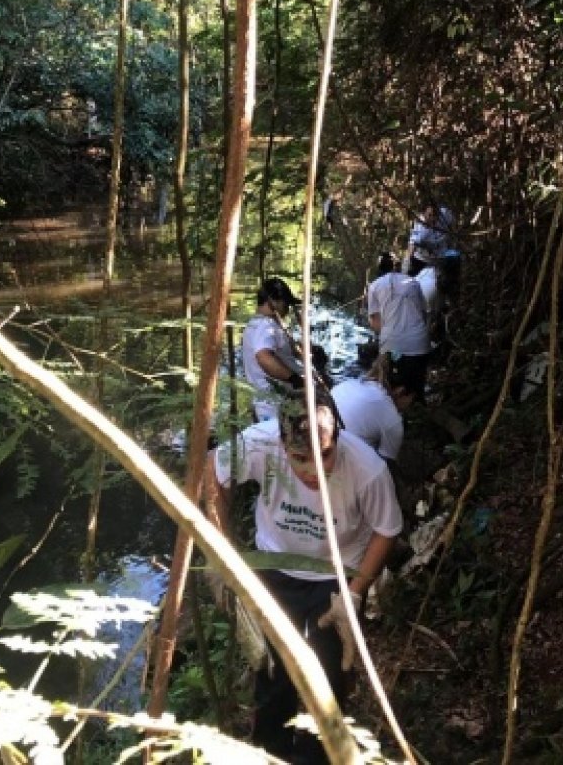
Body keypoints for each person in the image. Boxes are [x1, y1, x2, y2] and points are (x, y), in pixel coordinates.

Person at [205, 388, 402, 763]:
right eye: (300, 458)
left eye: (324, 455)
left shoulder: (367, 468)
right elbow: (213, 469)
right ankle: (270, 753)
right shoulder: (260, 445)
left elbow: (386, 529)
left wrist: (356, 592)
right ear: (282, 445)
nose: (314, 471)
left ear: (337, 439)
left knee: (328, 678)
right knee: (272, 671)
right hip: (275, 567)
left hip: (336, 575)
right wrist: (219, 553)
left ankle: (319, 755)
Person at [366, 252, 432, 401]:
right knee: (416, 390)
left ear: (379, 268)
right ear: (398, 266)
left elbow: (375, 323)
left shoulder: (374, 286)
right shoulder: (412, 282)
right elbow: (424, 313)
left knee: (392, 393)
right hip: (419, 342)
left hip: (393, 345)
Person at [329, 351, 412, 465]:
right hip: (339, 458)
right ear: (401, 391)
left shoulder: (348, 384)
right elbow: (385, 463)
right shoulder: (393, 421)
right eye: (411, 399)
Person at [241, 277, 306, 421]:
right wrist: (294, 378)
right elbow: (263, 357)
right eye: (286, 303)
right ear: (272, 301)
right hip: (273, 406)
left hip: (267, 402)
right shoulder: (265, 325)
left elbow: (276, 352)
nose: (288, 309)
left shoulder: (255, 324)